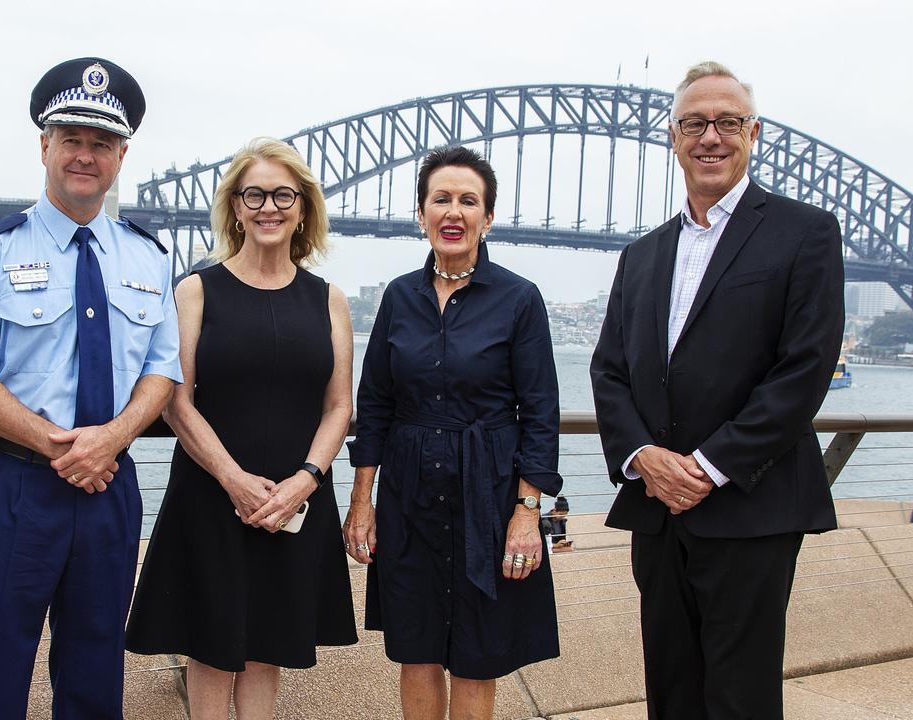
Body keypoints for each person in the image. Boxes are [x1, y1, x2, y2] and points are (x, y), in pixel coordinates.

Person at [590, 61, 844, 720]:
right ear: (672, 136)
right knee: (670, 691)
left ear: (753, 132)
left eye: (728, 122)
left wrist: (707, 468)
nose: (712, 137)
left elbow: (804, 368)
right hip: (657, 507)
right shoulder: (641, 255)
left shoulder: (804, 231)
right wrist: (642, 456)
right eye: (695, 123)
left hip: (749, 507)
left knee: (740, 698)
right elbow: (609, 371)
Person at [0, 57, 180, 720]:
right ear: (44, 145)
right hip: (15, 487)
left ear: (122, 155)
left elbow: (163, 369)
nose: (85, 155)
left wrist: (111, 441)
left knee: (95, 672)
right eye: (71, 139)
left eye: (101, 143)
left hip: (109, 488)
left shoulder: (147, 257)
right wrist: (62, 446)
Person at [126, 137, 358, 719]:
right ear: (235, 206)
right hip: (211, 493)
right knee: (211, 648)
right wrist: (233, 479)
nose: (269, 207)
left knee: (268, 648)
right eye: (253, 194)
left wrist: (306, 480)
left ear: (304, 208)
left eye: (284, 194)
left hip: (294, 497)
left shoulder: (329, 300)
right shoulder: (197, 290)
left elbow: (339, 406)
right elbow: (177, 403)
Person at [343, 145, 562, 719]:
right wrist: (362, 501)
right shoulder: (397, 297)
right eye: (441, 199)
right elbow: (376, 403)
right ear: (421, 214)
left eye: (469, 201)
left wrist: (526, 514)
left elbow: (540, 414)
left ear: (487, 219)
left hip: (488, 493)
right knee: (414, 650)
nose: (454, 212)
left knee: (476, 655)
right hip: (408, 493)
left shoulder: (519, 298)